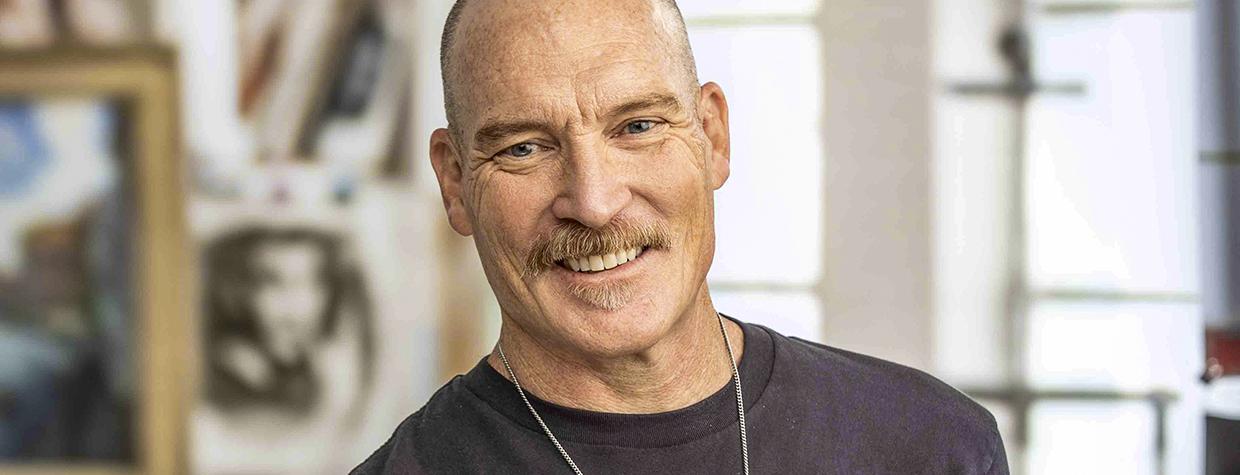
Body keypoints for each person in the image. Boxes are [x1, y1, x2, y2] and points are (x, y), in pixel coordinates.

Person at [355, 0, 1009, 473]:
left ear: (712, 137)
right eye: (524, 147)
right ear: (454, 180)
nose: (595, 201)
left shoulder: (928, 445)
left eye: (637, 127)